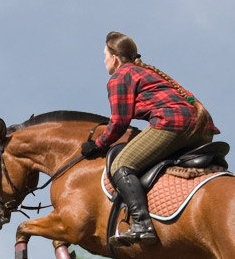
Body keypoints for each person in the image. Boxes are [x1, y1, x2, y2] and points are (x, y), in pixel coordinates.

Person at [81, 31, 220, 246]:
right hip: (202, 129)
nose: (104, 60)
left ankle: (141, 224)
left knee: (121, 164)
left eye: (105, 55)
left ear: (115, 58)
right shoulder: (148, 72)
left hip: (172, 124)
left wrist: (97, 144)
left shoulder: (120, 76)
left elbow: (119, 122)